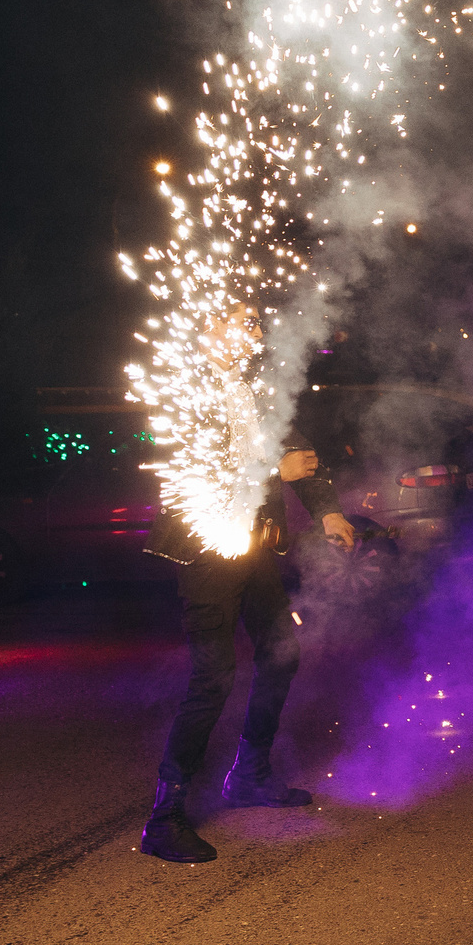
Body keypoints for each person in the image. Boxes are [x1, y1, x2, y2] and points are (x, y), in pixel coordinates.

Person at [139, 304, 356, 865]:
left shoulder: (263, 386)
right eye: (242, 320)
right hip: (208, 547)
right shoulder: (185, 386)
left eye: (258, 321)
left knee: (281, 655)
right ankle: (164, 820)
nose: (256, 331)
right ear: (208, 325)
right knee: (213, 677)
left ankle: (250, 774)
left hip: (256, 548)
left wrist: (328, 512)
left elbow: (303, 458)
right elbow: (200, 472)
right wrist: (268, 472)